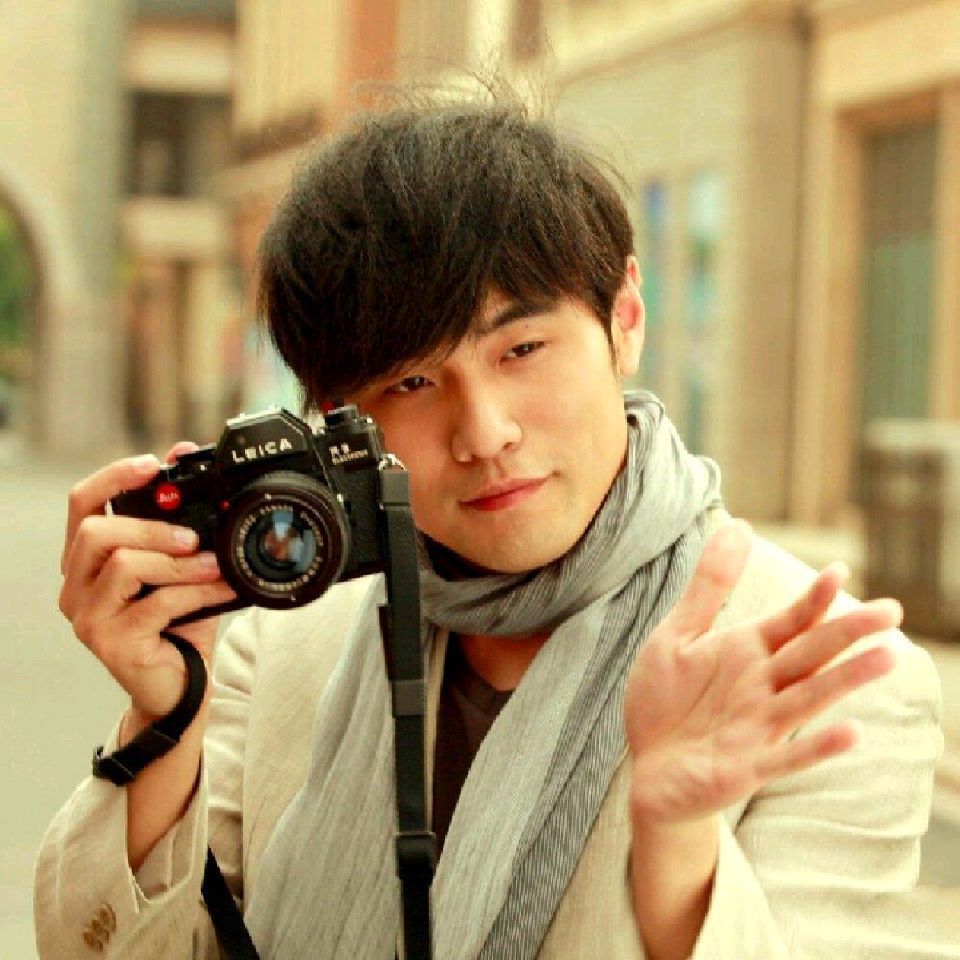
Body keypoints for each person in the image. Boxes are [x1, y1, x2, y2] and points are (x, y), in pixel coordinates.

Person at [37, 88, 951, 960]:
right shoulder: (283, 651)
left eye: (522, 348)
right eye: (411, 382)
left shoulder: (819, 679)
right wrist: (165, 717)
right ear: (338, 419)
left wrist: (677, 845)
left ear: (625, 318)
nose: (484, 433)